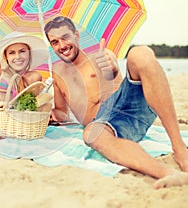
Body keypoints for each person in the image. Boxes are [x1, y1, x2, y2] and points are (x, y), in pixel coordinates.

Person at [44, 16, 188, 189]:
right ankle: (171, 174)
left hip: (128, 104)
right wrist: (50, 114)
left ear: (76, 35)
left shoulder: (100, 56)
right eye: (54, 42)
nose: (62, 45)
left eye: (65, 37)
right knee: (90, 134)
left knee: (139, 53)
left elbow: (112, 72)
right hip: (108, 126)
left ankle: (180, 150)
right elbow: (61, 111)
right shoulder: (57, 72)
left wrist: (112, 68)